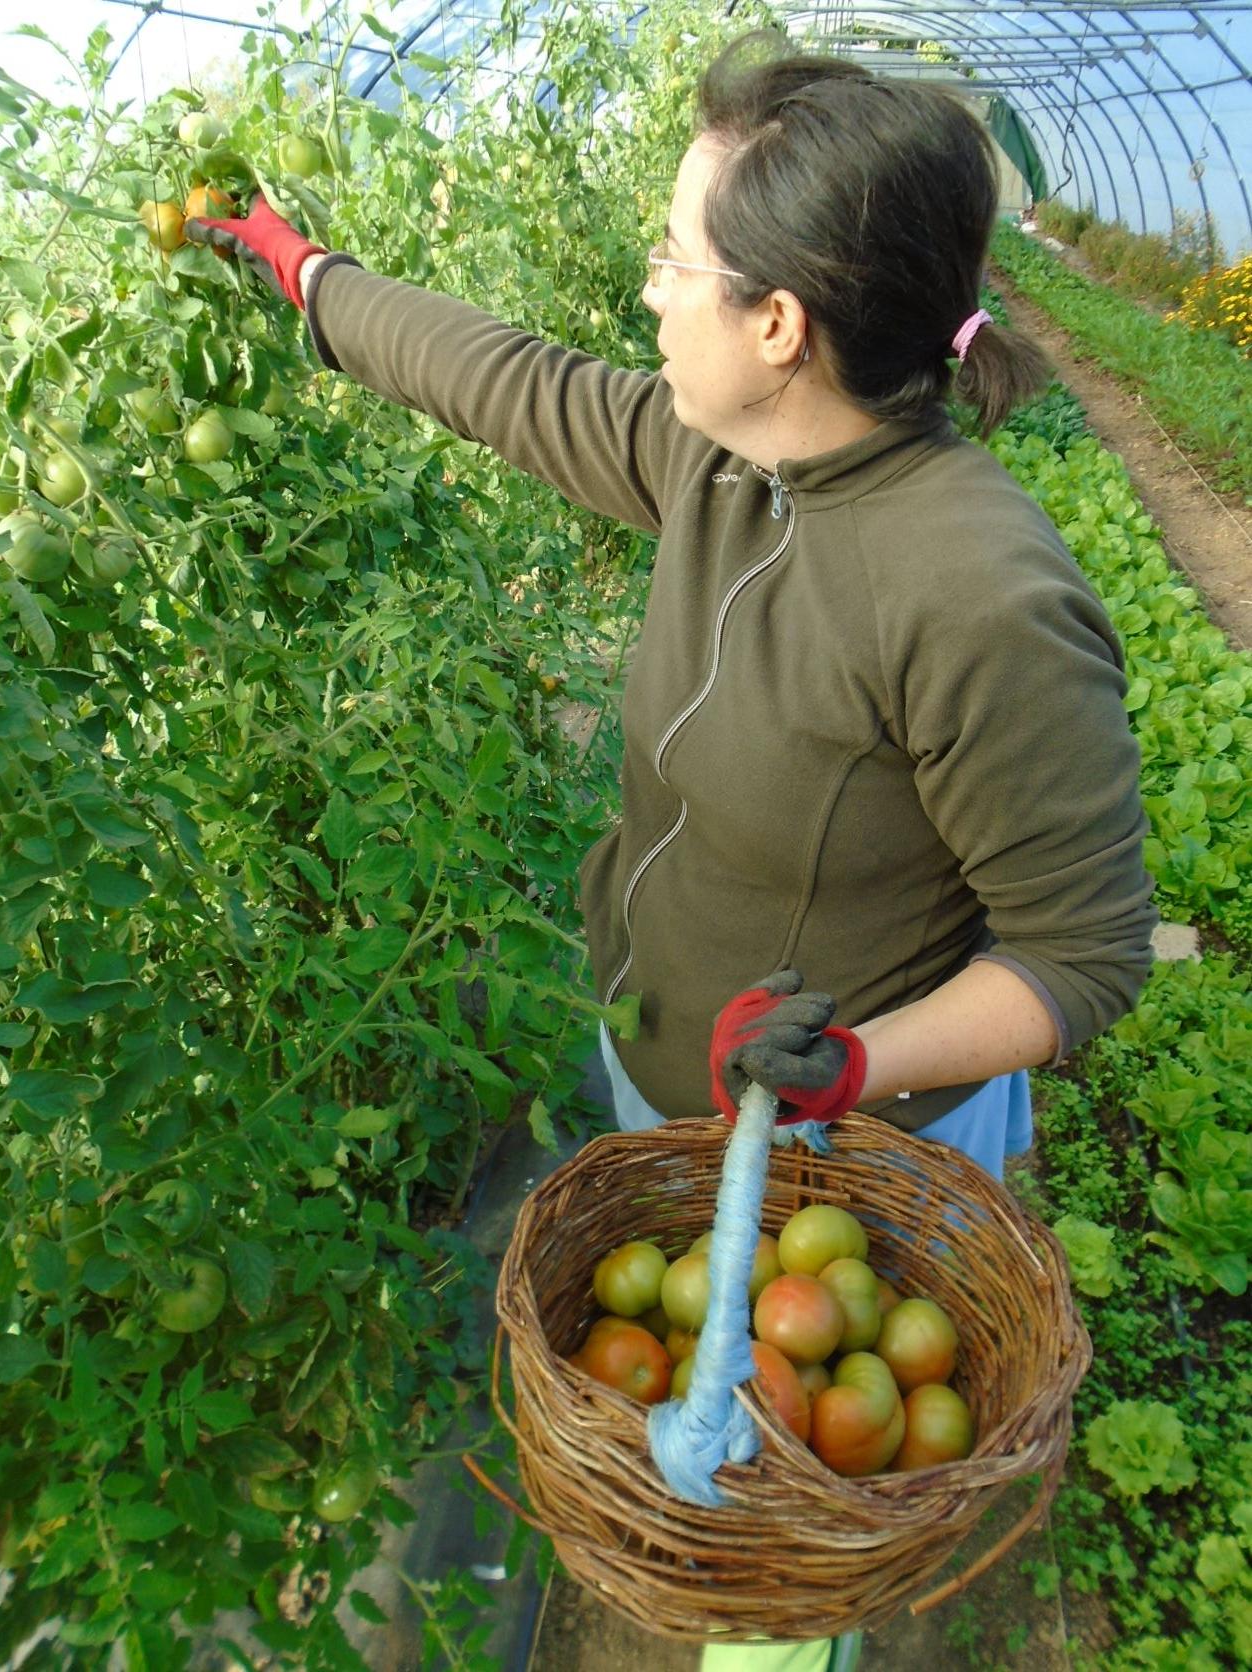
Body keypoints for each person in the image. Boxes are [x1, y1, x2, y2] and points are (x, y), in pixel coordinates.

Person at [187, 30, 1158, 1672]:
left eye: (669, 259)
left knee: (778, 1514)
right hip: (674, 1077)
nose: (644, 291)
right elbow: (500, 375)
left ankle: (783, 1632)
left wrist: (846, 1065)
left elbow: (1081, 954)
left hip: (838, 1145)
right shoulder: (721, 458)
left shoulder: (977, 596)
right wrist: (305, 275)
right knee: (698, 1431)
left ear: (777, 325)